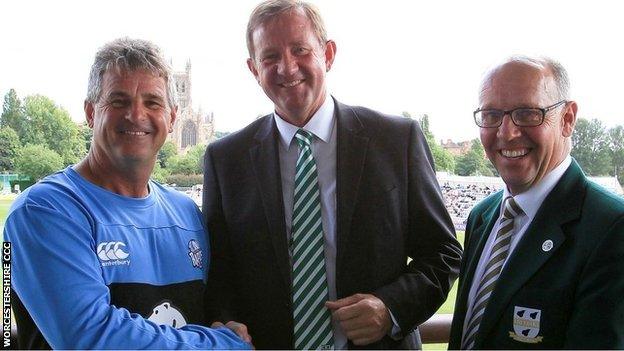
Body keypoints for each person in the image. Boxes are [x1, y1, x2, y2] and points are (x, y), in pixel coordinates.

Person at [202, 0, 462, 349]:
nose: (287, 67)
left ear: (328, 54)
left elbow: (443, 254)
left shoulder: (396, 141)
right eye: (270, 57)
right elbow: (219, 271)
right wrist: (226, 319)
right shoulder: (225, 159)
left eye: (300, 50)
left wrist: (390, 308)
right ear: (253, 69)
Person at [3, 38, 251, 349]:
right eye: (119, 101)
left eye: (153, 102)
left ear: (172, 118)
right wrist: (224, 345)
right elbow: (93, 337)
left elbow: (207, 310)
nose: (136, 114)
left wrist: (222, 323)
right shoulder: (46, 210)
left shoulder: (187, 213)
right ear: (91, 112)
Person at [449, 56, 624, 349]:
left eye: (528, 113)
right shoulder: (482, 216)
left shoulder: (611, 228)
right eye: (491, 115)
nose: (507, 132)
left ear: (567, 119)